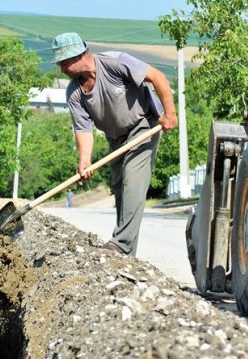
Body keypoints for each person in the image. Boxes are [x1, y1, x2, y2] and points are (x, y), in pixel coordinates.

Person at [51, 32, 177, 256]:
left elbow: (158, 77)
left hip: (144, 125)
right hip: (116, 138)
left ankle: (120, 244)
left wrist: (170, 113)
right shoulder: (74, 93)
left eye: (63, 62)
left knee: (133, 180)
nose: (61, 69)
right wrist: (84, 160)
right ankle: (127, 255)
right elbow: (83, 129)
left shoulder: (115, 63)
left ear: (78, 56)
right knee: (120, 190)